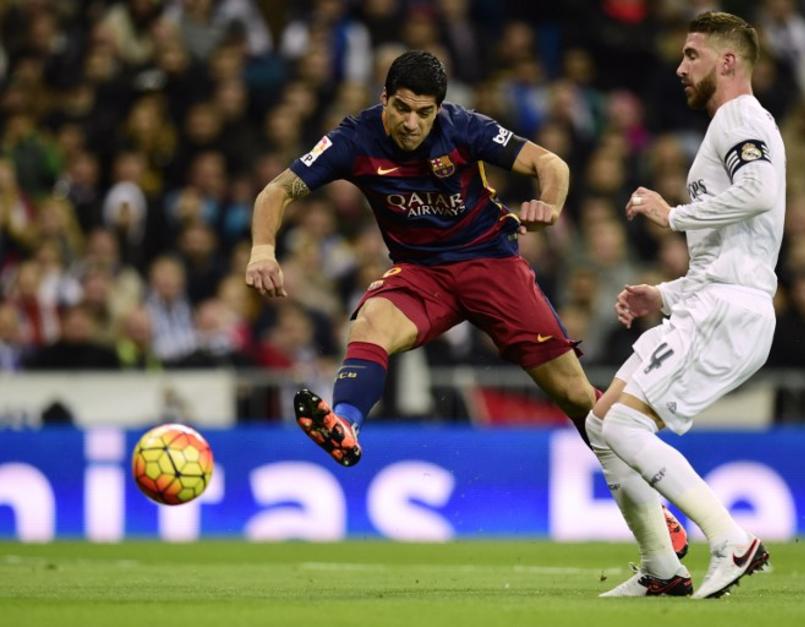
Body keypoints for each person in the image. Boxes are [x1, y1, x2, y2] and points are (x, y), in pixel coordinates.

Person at [245, 50, 687, 554]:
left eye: (424, 112)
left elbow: (550, 162)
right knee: (369, 323)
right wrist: (262, 249)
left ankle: (656, 506)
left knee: (580, 401)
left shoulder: (463, 128)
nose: (412, 123)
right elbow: (276, 191)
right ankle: (346, 422)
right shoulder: (353, 139)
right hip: (421, 272)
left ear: (439, 109)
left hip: (491, 265)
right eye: (403, 108)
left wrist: (551, 203)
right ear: (383, 99)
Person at [589, 12, 783, 598]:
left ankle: (730, 541)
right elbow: (730, 250)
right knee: (603, 423)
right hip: (713, 299)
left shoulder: (740, 117)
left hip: (730, 309)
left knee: (624, 423)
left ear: (728, 61)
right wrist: (663, 293)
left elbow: (760, 192)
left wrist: (671, 215)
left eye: (692, 54)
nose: (680, 66)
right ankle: (662, 569)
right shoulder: (727, 125)